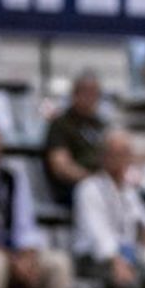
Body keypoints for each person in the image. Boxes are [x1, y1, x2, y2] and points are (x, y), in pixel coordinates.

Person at [72, 130, 145, 288]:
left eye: (125, 154)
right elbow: (98, 234)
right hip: (95, 260)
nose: (122, 160)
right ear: (104, 157)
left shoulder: (128, 191)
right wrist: (115, 260)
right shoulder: (88, 189)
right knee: (129, 284)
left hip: (128, 257)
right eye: (116, 154)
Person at [0, 115, 72, 288]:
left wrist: (27, 256)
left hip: (14, 252)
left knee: (58, 263)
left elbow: (25, 224)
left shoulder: (12, 177)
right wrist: (12, 259)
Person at [43, 71, 106, 205]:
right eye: (86, 92)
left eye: (95, 93)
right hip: (76, 187)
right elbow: (61, 166)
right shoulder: (61, 124)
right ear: (75, 94)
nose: (91, 98)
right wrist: (94, 181)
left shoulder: (100, 124)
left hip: (104, 186)